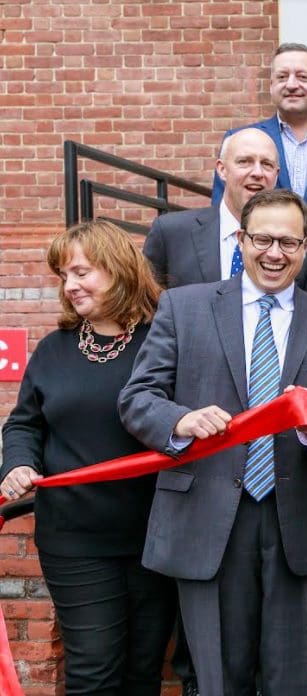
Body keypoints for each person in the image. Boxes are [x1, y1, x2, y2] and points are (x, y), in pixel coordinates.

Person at [118, 189, 307, 695]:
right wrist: (182, 420)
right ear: (241, 240)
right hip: (207, 516)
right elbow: (137, 398)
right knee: (217, 678)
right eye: (263, 239)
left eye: (289, 242)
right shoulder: (183, 307)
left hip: (295, 516)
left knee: (291, 678)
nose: (274, 253)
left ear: (306, 249)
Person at [1, 220, 176, 695]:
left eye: (82, 272)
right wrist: (17, 462)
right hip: (75, 538)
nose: (70, 285)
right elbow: (24, 422)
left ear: (118, 270)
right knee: (94, 671)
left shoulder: (164, 341)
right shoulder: (54, 350)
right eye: (64, 275)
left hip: (155, 535)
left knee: (144, 671)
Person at [146, 127, 307, 302]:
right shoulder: (172, 234)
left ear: (276, 175)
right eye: (245, 162)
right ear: (222, 169)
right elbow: (143, 311)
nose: (257, 172)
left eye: (266, 164)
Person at [211, 43, 307, 217]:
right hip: (259, 243)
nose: (292, 85)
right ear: (271, 86)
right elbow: (222, 213)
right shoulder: (237, 140)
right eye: (282, 77)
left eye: (302, 77)